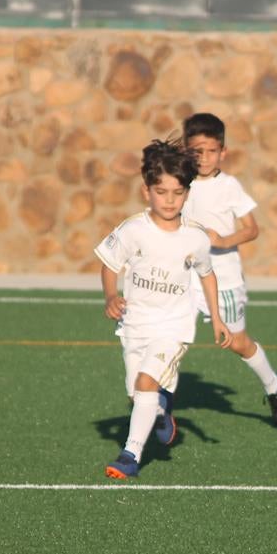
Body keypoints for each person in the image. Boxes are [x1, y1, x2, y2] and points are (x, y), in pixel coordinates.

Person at [95, 139, 230, 479]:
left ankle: (130, 455)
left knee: (145, 381)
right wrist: (111, 296)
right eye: (161, 191)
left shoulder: (195, 237)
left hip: (174, 328)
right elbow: (110, 266)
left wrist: (217, 319)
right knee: (138, 393)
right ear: (146, 192)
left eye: (177, 192)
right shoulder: (132, 230)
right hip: (134, 326)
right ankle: (161, 410)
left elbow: (207, 275)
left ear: (187, 194)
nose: (169, 200)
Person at [181, 112, 277, 430]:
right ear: (186, 151)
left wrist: (223, 240)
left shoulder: (229, 186)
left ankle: (275, 386)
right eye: (196, 151)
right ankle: (157, 404)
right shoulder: (179, 182)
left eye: (211, 151)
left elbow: (252, 228)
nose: (203, 158)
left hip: (224, 279)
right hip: (185, 279)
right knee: (173, 339)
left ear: (223, 153)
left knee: (237, 342)